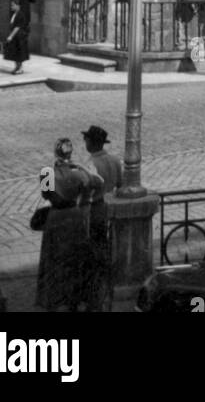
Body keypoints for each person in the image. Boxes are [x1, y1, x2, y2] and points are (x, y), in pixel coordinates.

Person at [35, 138, 102, 312]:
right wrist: (81, 167)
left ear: (56, 153)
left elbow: (45, 194)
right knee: (74, 259)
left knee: (54, 258)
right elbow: (96, 182)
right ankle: (74, 298)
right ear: (70, 153)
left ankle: (54, 299)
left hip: (56, 217)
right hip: (74, 217)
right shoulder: (78, 172)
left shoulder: (47, 172)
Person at [81, 126, 123, 311]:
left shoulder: (89, 165)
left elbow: (83, 194)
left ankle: (94, 295)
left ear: (91, 143)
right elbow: (120, 184)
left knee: (93, 253)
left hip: (95, 211)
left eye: (87, 140)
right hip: (110, 209)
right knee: (106, 248)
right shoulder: (114, 160)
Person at [4, 0, 29, 75]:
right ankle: (17, 67)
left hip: (19, 37)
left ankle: (20, 68)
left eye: (13, 5)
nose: (11, 7)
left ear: (18, 6)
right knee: (15, 53)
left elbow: (17, 27)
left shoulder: (20, 15)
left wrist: (11, 36)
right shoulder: (14, 14)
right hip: (16, 37)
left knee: (19, 53)